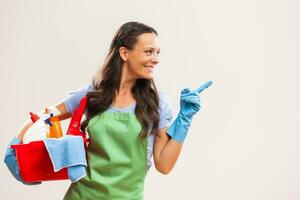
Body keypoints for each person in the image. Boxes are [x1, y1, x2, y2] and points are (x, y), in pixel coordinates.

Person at [4, 21, 212, 199]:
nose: (156, 59)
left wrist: (185, 118)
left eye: (157, 52)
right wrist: (16, 143)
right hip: (82, 195)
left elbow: (164, 165)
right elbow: (48, 114)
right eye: (148, 52)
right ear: (124, 53)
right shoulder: (93, 94)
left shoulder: (157, 102)